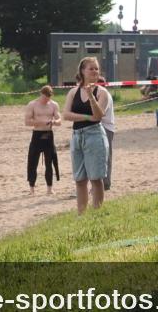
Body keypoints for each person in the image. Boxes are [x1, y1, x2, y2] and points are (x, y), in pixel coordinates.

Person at [62, 56, 110, 214]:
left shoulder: (102, 92)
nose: (95, 71)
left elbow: (98, 116)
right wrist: (86, 117)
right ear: (82, 71)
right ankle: (81, 214)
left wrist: (91, 97)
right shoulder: (73, 92)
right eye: (91, 68)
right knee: (80, 179)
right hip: (77, 136)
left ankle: (97, 213)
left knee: (96, 178)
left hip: (94, 135)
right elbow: (66, 115)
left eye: (97, 68)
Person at [24, 85, 62, 195]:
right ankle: (31, 188)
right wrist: (41, 122)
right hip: (37, 134)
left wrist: (54, 122)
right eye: (45, 97)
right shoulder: (32, 104)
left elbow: (59, 120)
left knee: (49, 162)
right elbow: (27, 122)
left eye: (49, 98)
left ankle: (49, 188)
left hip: (48, 134)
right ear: (41, 94)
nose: (47, 100)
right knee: (33, 161)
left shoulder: (54, 105)